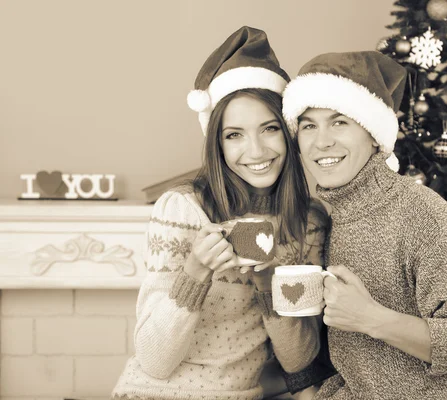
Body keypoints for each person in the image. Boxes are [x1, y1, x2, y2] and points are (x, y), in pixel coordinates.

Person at [281, 51, 447, 399]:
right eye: (308, 125)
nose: (322, 141)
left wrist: (372, 319)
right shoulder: (332, 218)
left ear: (373, 135)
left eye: (339, 122)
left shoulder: (421, 215)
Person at [112, 26, 327, 400]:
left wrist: (269, 284)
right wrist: (196, 271)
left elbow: (299, 362)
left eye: (269, 129)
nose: (256, 151)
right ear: (218, 145)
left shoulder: (307, 224)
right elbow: (154, 361)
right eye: (234, 135)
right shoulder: (183, 209)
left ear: (289, 133)